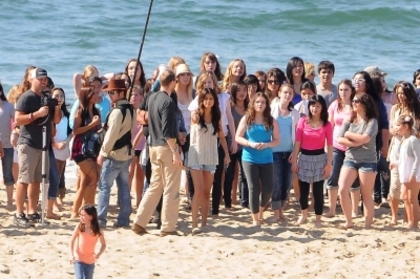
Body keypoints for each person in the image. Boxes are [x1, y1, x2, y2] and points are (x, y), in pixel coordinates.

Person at [132, 70, 183, 236]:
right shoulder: (168, 102)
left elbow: (144, 117)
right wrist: (175, 151)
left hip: (152, 146)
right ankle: (168, 227)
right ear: (172, 83)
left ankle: (140, 222)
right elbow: (168, 131)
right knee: (171, 188)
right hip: (166, 147)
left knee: (155, 185)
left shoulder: (152, 97)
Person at [14, 67, 61, 226]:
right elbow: (18, 120)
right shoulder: (26, 97)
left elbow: (56, 120)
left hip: (43, 145)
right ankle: (19, 213)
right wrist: (37, 114)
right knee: (24, 178)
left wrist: (57, 106)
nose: (43, 82)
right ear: (32, 80)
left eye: (45, 79)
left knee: (36, 180)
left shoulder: (47, 97)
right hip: (28, 143)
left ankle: (32, 211)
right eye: (40, 79)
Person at [188, 88, 230, 234]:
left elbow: (222, 136)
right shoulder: (196, 115)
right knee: (198, 191)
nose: (208, 101)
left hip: (211, 155)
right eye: (205, 98)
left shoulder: (217, 116)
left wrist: (226, 153)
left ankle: (204, 222)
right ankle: (194, 223)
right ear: (201, 100)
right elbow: (193, 122)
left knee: (207, 192)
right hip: (196, 155)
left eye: (211, 98)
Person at [235, 92, 280, 226]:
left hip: (267, 158)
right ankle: (255, 219)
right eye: (258, 102)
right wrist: (250, 143)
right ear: (253, 104)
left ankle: (260, 210)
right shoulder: (247, 118)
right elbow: (238, 137)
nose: (260, 104)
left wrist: (267, 144)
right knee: (253, 188)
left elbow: (277, 140)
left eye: (263, 102)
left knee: (268, 189)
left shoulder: (271, 120)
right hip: (249, 157)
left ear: (267, 104)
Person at [97, 79, 135, 228]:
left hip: (113, 155)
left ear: (121, 92)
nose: (110, 95)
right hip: (126, 154)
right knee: (124, 187)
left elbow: (111, 135)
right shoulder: (131, 109)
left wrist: (102, 153)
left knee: (104, 187)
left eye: (112, 92)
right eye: (109, 93)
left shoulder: (117, 111)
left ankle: (100, 219)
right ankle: (124, 219)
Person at [337, 93, 378, 229]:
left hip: (368, 160)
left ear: (365, 103)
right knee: (342, 189)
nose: (353, 103)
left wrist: (349, 135)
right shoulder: (350, 118)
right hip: (350, 158)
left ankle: (368, 225)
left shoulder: (372, 121)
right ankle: (349, 221)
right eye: (353, 101)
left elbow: (365, 139)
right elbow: (339, 138)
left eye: (357, 101)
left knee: (366, 195)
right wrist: (354, 144)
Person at [291, 95, 333, 228]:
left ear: (322, 108)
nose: (315, 108)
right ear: (309, 107)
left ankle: (318, 219)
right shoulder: (303, 121)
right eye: (313, 105)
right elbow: (297, 143)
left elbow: (330, 146)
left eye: (318, 106)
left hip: (320, 158)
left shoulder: (327, 124)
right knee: (303, 191)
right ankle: (303, 215)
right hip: (304, 158)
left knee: (318, 191)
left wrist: (328, 164)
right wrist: (294, 161)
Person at [387, 81, 420, 225]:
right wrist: (393, 131)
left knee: (408, 189)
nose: (400, 96)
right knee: (395, 186)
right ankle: (394, 216)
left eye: (403, 93)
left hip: (411, 151)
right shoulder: (395, 109)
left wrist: (410, 132)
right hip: (396, 149)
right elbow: (389, 127)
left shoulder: (416, 110)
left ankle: (409, 218)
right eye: (398, 93)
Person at [325, 80, 356, 217]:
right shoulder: (335, 105)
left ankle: (355, 209)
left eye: (346, 90)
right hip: (336, 146)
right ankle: (332, 209)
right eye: (341, 90)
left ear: (351, 91)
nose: (343, 92)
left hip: (352, 147)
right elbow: (328, 125)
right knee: (333, 176)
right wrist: (327, 144)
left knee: (354, 178)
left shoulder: (356, 105)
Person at [71, 86, 101, 219]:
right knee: (94, 177)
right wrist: (91, 125)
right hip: (80, 149)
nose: (96, 95)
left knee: (84, 183)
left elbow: (97, 131)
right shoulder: (80, 112)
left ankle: (74, 212)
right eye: (93, 93)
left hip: (91, 149)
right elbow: (75, 131)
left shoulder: (96, 111)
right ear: (87, 96)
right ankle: (86, 209)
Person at [270, 84, 299, 221]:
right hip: (274, 151)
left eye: (290, 93)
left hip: (289, 152)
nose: (288, 95)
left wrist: (295, 152)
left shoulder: (295, 113)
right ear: (279, 93)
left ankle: (281, 211)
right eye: (285, 92)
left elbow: (298, 135)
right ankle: (276, 213)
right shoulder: (271, 110)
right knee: (276, 183)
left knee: (287, 183)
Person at [390, 115, 420, 230]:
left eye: (399, 125)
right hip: (405, 175)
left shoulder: (413, 140)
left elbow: (418, 158)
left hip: (413, 175)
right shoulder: (404, 140)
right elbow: (404, 158)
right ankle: (410, 221)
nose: (396, 128)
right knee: (405, 197)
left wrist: (413, 174)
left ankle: (414, 223)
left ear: (406, 126)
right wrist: (395, 163)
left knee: (413, 199)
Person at [223, 81, 249, 209]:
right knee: (229, 174)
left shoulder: (250, 107)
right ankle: (227, 202)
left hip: (246, 146)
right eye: (239, 90)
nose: (242, 93)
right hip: (231, 145)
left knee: (245, 175)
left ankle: (244, 203)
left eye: (245, 90)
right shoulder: (230, 106)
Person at [69, 204, 106, 279]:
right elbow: (72, 241)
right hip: (79, 259)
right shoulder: (80, 227)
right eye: (80, 215)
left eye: (83, 215)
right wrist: (71, 255)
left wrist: (98, 254)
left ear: (91, 217)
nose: (81, 217)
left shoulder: (98, 230)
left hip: (90, 262)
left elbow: (103, 245)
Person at [51, 87, 72, 208]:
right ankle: (52, 201)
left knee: (59, 174)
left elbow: (71, 132)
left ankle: (57, 198)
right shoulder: (49, 113)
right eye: (56, 96)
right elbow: (48, 131)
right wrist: (54, 144)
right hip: (52, 147)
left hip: (63, 147)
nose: (59, 98)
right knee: (52, 175)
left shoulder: (67, 115)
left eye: (61, 96)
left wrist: (66, 142)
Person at [129, 86, 146, 208]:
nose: (134, 97)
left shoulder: (143, 112)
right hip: (130, 147)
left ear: (141, 97)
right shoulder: (127, 111)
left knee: (140, 175)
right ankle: (125, 199)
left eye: (136, 95)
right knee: (129, 173)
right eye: (132, 95)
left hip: (142, 146)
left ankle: (139, 200)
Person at [0, 82, 15, 208]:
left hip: (8, 145)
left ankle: (10, 201)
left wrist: (15, 133)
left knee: (7, 173)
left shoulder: (9, 106)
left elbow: (17, 123)